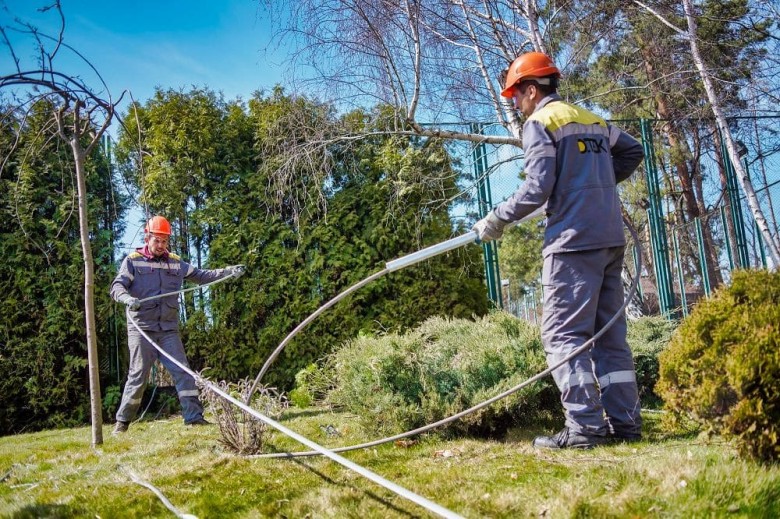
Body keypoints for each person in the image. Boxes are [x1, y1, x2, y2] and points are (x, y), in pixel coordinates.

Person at [473, 52, 645, 449]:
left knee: (563, 336)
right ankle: (625, 424)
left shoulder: (540, 123)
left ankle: (585, 428)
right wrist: (595, 183)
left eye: (516, 96)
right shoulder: (591, 119)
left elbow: (536, 188)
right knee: (609, 337)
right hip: (609, 238)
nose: (515, 106)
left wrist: (496, 219)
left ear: (531, 90)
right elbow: (632, 151)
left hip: (571, 242)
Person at [110, 215, 245, 434]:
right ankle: (122, 423)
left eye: (164, 241)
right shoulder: (133, 260)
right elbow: (117, 287)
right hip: (142, 329)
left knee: (183, 372)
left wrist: (228, 272)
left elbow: (202, 276)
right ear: (147, 237)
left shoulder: (175, 262)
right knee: (138, 375)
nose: (161, 245)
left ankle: (194, 418)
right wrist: (127, 299)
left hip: (168, 331)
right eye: (157, 240)